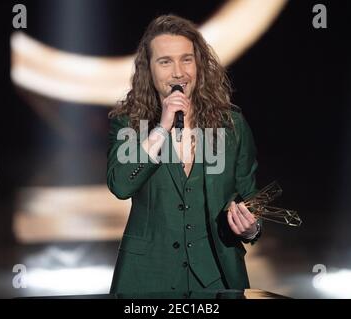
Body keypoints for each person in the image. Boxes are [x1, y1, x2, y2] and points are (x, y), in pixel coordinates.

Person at [107, 15, 260, 296]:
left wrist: (250, 229)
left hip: (216, 277)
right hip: (148, 280)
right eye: (165, 61)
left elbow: (250, 199)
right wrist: (162, 128)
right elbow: (121, 184)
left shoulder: (230, 126)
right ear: (148, 69)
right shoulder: (132, 124)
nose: (179, 72)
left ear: (199, 64)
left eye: (186, 59)